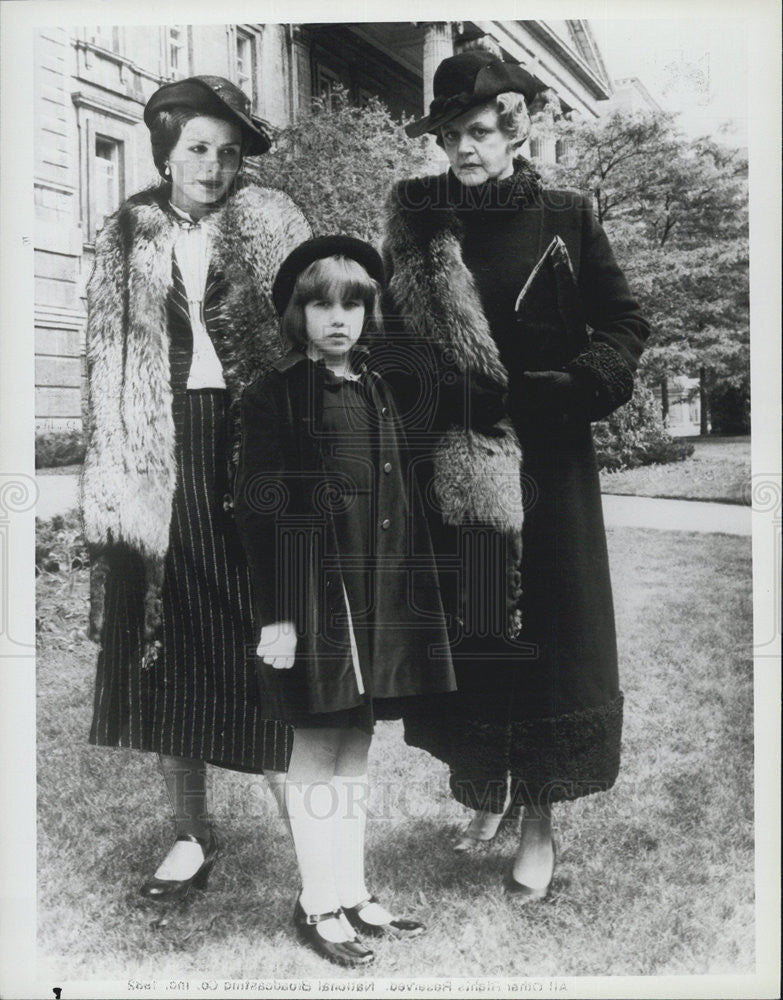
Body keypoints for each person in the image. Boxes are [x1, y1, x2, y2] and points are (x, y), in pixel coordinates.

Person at [381, 50, 650, 899]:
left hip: (550, 464)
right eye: (450, 136)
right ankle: (485, 794)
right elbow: (389, 333)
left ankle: (537, 823)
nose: (462, 150)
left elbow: (623, 321)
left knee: (547, 652)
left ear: (515, 127)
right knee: (479, 642)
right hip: (455, 466)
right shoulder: (419, 223)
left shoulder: (566, 214)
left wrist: (577, 385)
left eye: (477, 132)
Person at [80, 75, 311, 902]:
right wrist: (114, 482)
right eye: (196, 150)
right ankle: (189, 831)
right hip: (159, 446)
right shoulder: (126, 235)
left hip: (253, 440)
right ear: (167, 155)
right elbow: (104, 367)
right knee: (167, 639)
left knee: (266, 629)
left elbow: (322, 337)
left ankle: (321, 852)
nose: (212, 167)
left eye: (226, 150)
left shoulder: (274, 224)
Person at [234, 236, 456, 966]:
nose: (338, 319)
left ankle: (352, 890)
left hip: (378, 597)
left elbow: (401, 498)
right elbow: (260, 513)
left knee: (356, 744)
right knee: (316, 743)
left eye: (352, 304)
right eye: (320, 304)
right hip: (312, 601)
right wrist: (279, 616)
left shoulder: (377, 386)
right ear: (295, 313)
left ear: (369, 312)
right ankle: (316, 900)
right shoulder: (276, 396)